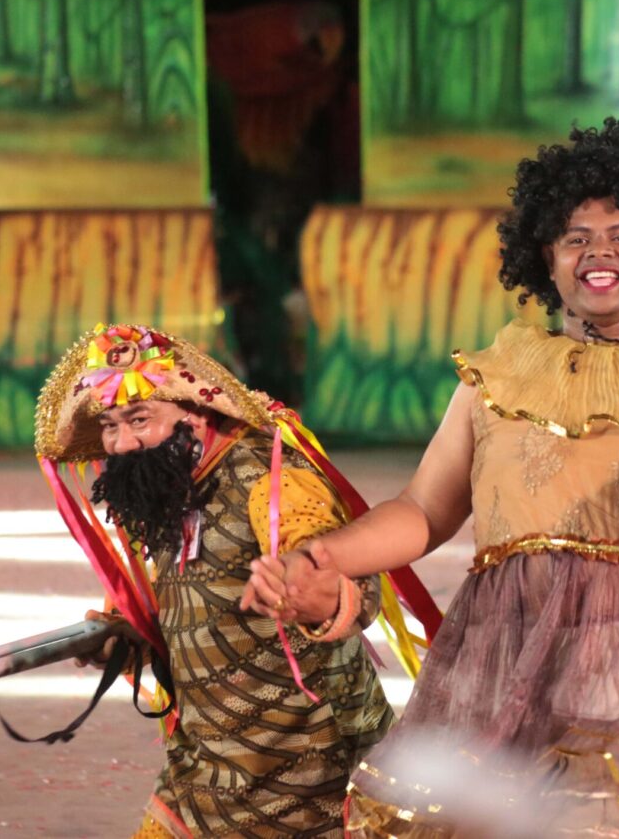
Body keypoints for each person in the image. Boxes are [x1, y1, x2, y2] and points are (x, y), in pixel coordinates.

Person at [245, 119, 619, 837]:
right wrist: (326, 556)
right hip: (516, 672)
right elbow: (423, 511)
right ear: (546, 258)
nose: (600, 252)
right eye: (575, 238)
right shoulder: (496, 379)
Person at [35, 323, 394, 838]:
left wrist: (318, 590)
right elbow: (181, 616)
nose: (122, 444)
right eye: (110, 426)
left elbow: (351, 584)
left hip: (313, 770)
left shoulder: (272, 479)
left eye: (140, 419)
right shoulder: (167, 491)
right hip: (202, 769)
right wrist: (124, 637)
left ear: (197, 412)